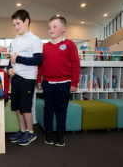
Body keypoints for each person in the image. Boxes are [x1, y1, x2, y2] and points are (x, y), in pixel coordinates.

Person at [37, 15, 81, 147]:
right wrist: (39, 80)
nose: (51, 29)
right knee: (48, 108)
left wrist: (74, 83)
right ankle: (48, 131)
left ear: (63, 29)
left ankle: (61, 133)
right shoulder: (45, 47)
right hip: (47, 83)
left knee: (61, 109)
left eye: (55, 26)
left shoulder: (69, 44)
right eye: (49, 27)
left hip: (64, 83)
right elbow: (40, 65)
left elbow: (76, 64)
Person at [8, 9, 43, 146]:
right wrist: (9, 68)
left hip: (28, 78)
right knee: (17, 106)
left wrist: (18, 59)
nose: (16, 27)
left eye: (18, 23)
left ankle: (30, 132)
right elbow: (12, 59)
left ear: (26, 21)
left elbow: (38, 59)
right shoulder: (15, 40)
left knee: (25, 107)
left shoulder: (35, 40)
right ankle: (22, 130)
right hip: (16, 77)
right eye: (14, 25)